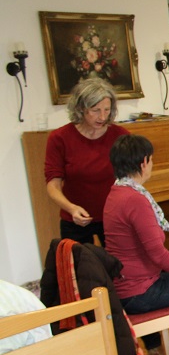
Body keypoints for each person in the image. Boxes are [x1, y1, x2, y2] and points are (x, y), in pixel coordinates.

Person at [103, 134, 169, 355]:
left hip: (130, 286)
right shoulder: (134, 199)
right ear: (144, 162)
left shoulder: (116, 193)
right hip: (140, 292)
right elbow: (157, 253)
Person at [44, 78, 130, 246]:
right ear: (81, 108)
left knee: (119, 268)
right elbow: (52, 185)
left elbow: (135, 176)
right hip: (76, 220)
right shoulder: (59, 138)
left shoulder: (121, 136)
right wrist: (71, 208)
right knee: (81, 269)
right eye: (96, 110)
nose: (103, 116)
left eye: (107, 109)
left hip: (114, 217)